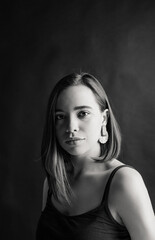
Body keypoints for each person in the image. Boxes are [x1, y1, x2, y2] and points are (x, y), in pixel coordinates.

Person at [36, 72, 155, 240]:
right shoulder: (53, 182)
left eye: (82, 113)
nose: (71, 127)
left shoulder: (124, 181)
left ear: (104, 118)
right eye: (60, 116)